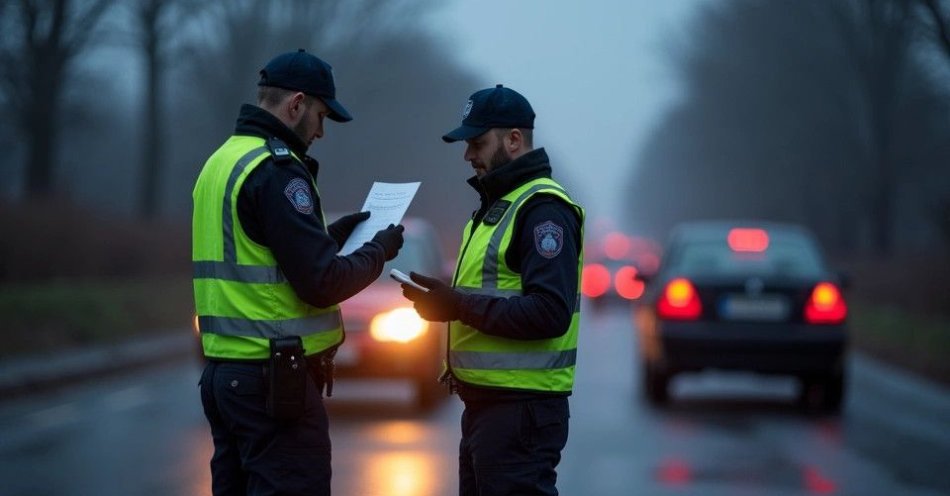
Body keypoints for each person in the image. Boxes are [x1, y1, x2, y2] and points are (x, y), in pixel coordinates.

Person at [192, 49, 404, 495]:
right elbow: (321, 284)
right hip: (272, 383)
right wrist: (378, 252)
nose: (322, 132)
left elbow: (259, 252)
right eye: (321, 116)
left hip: (224, 378)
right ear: (296, 105)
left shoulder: (222, 161)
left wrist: (328, 234)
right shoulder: (278, 170)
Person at [400, 84, 585, 496]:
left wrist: (456, 305)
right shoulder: (500, 205)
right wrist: (446, 296)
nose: (469, 155)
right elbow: (497, 292)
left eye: (478, 142)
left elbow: (549, 313)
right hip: (491, 408)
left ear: (514, 139)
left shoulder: (542, 210)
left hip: (520, 412)